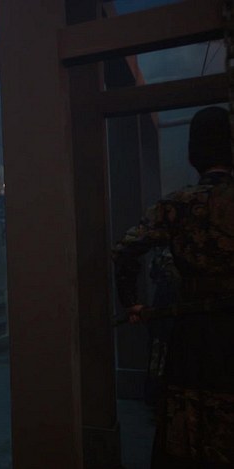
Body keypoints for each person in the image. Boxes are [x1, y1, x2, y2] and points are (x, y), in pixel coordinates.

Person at [113, 106, 234, 468]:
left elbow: (125, 250)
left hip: (194, 333)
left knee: (188, 423)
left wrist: (131, 303)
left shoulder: (178, 204)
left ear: (194, 153)